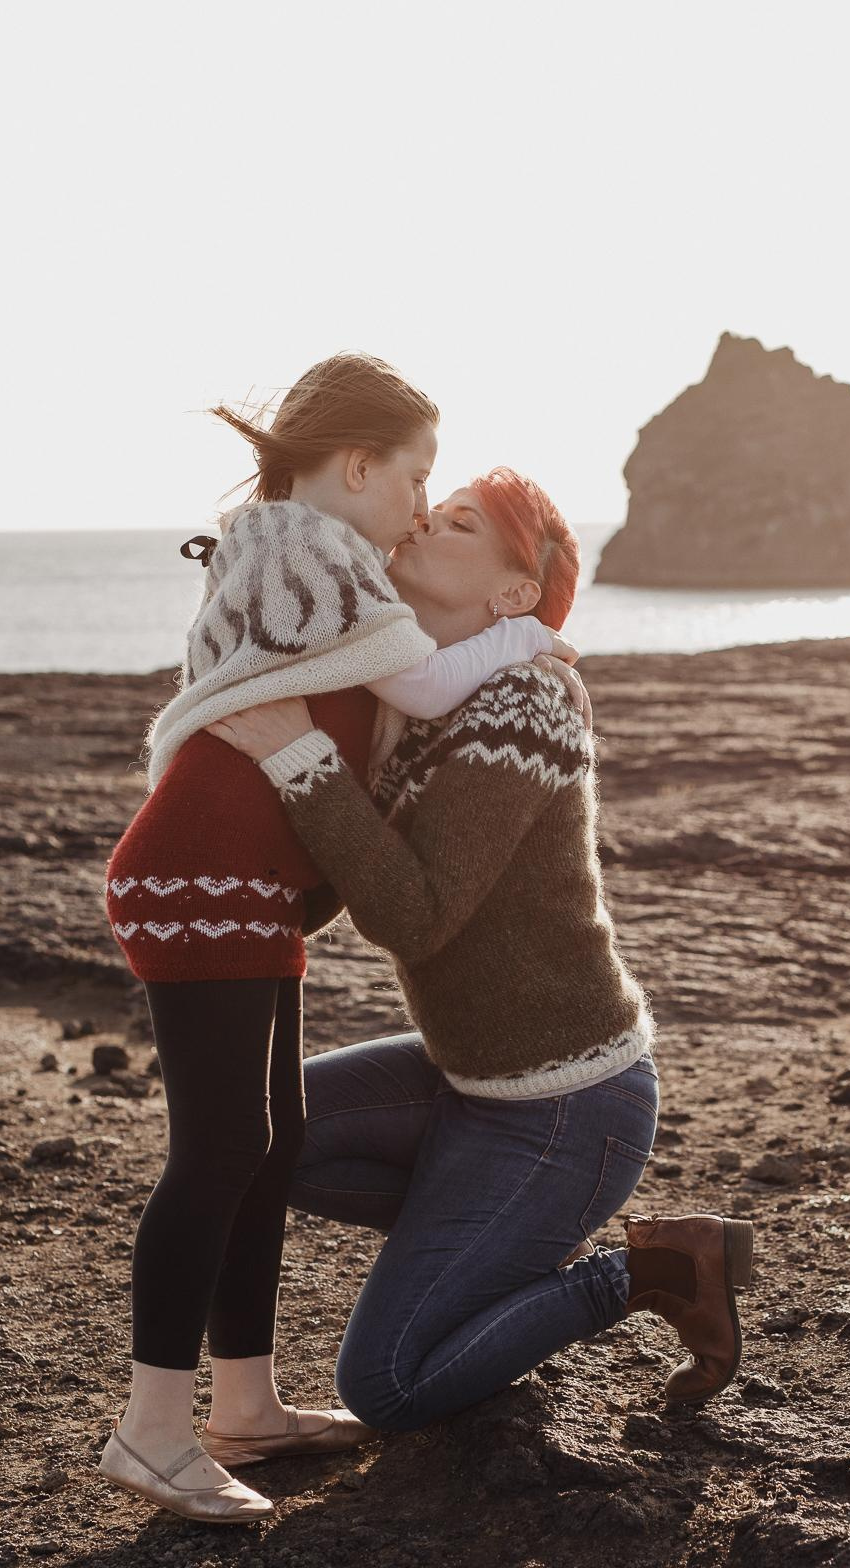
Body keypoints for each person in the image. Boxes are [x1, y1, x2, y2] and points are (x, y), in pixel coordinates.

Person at [96, 357, 578, 1525]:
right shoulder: (308, 556)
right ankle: (151, 1431)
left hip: (245, 883)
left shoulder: (310, 552)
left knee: (271, 1141)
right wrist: (526, 640)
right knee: (218, 1148)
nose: (421, 505)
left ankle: (245, 1403)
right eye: (415, 478)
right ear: (358, 467)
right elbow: (424, 686)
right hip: (199, 874)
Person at [203, 466, 756, 1440]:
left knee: (387, 1384)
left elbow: (415, 914)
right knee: (252, 1136)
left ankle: (659, 1269)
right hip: (468, 1081)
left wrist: (300, 756)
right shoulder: (416, 702)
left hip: (568, 1106)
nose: (422, 522)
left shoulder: (529, 699)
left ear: (513, 592)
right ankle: (494, 1240)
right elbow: (341, 880)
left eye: (458, 523)